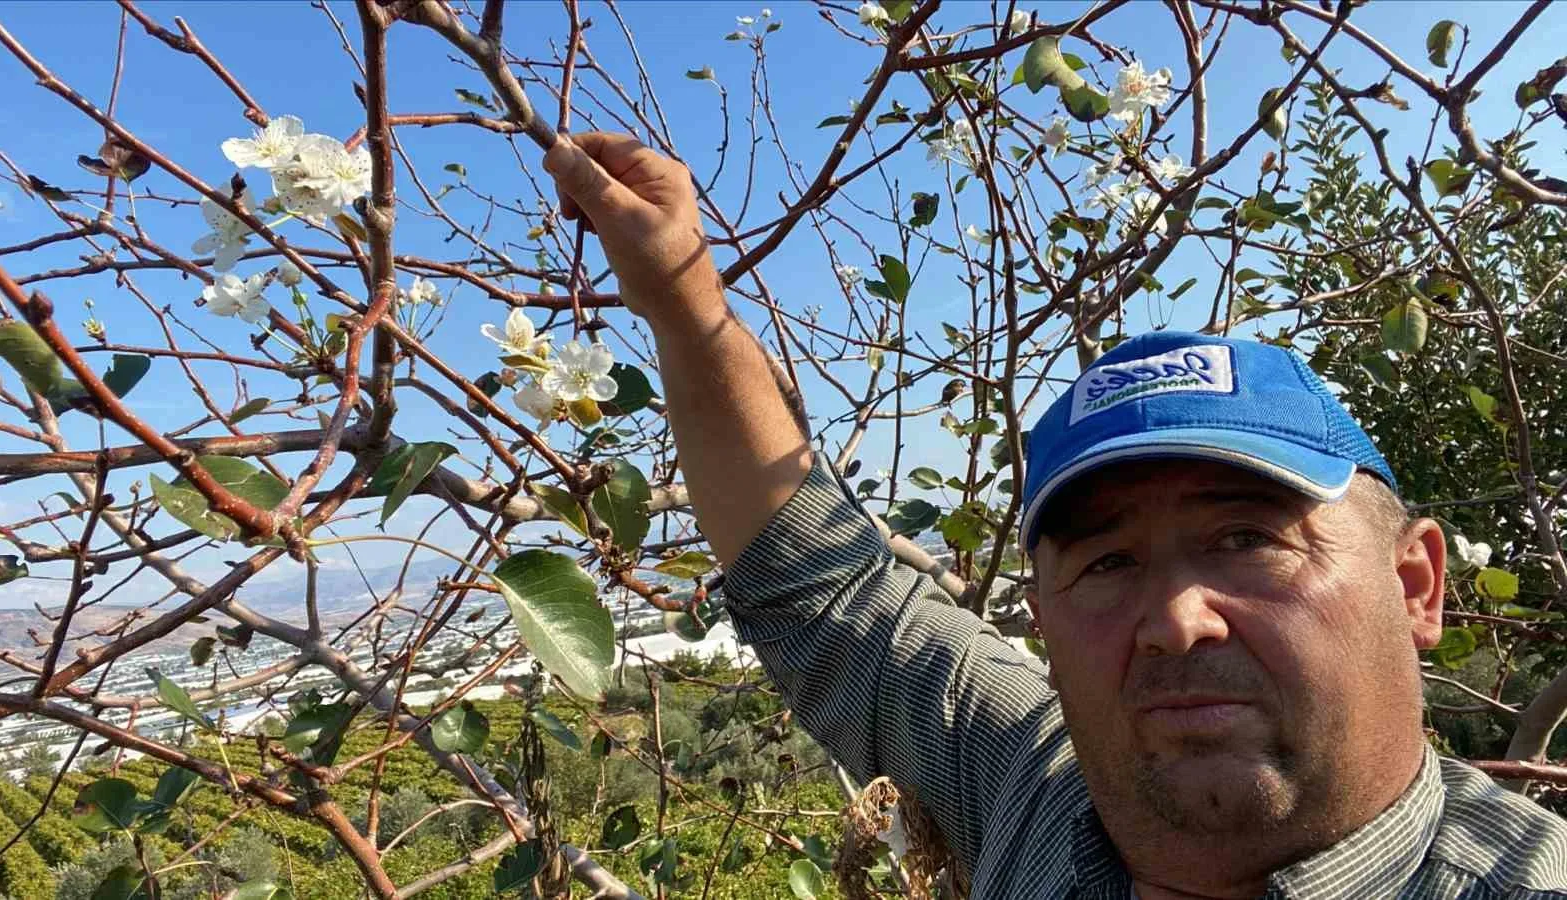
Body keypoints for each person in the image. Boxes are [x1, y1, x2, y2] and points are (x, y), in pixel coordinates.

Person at [541, 132, 1567, 898]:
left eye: (1247, 538)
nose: (1175, 619)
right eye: (1106, 563)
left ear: (1414, 584)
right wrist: (681, 300)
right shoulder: (1034, 792)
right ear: (1044, 617)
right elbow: (821, 584)